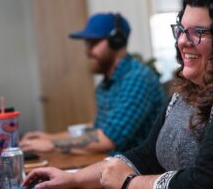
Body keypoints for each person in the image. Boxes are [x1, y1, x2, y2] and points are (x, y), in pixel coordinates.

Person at [22, 0, 213, 188]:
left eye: (197, 32)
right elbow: (147, 154)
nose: (183, 41)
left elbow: (210, 181)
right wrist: (73, 179)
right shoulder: (188, 90)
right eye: (181, 29)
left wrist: (129, 183)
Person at [20, 12, 166, 156]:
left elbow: (107, 139)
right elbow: (97, 128)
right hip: (112, 165)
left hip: (137, 173)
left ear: (117, 42)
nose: (88, 51)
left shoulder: (137, 79)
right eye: (87, 44)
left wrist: (52, 145)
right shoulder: (106, 85)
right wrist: (49, 137)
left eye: (94, 43)